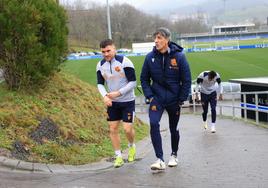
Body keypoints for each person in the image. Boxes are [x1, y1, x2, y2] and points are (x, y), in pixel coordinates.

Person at [140, 27, 191, 170]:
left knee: (173, 128)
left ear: (167, 40)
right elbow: (144, 79)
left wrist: (181, 98)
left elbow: (186, 80)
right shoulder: (150, 57)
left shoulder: (179, 57)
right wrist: (149, 96)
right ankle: (159, 159)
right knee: (154, 124)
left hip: (174, 99)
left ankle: (174, 155)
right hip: (157, 98)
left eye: (159, 38)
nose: (156, 41)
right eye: (155, 38)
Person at [96, 39, 137, 168]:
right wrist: (105, 96)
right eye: (103, 52)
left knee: (127, 129)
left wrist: (118, 93)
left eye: (108, 51)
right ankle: (118, 156)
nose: (106, 54)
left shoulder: (125, 61)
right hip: (112, 103)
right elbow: (99, 84)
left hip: (127, 101)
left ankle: (131, 146)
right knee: (113, 128)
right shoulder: (100, 65)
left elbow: (133, 82)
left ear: (114, 49)